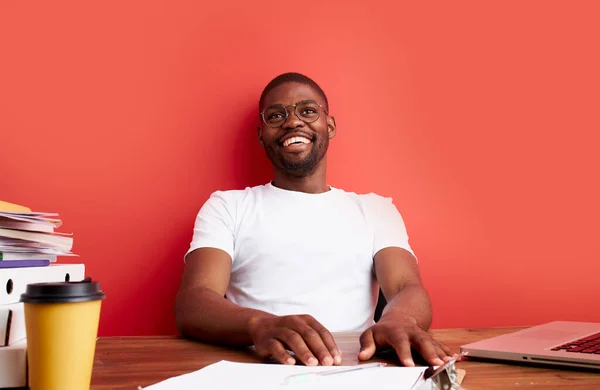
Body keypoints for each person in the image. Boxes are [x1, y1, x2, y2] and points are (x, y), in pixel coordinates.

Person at [175, 72, 453, 368]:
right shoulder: (227, 206)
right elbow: (194, 302)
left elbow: (405, 287)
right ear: (261, 135)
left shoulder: (375, 209)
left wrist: (400, 319)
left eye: (307, 111)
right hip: (260, 370)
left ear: (329, 125)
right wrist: (259, 325)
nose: (293, 122)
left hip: (356, 369)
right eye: (276, 115)